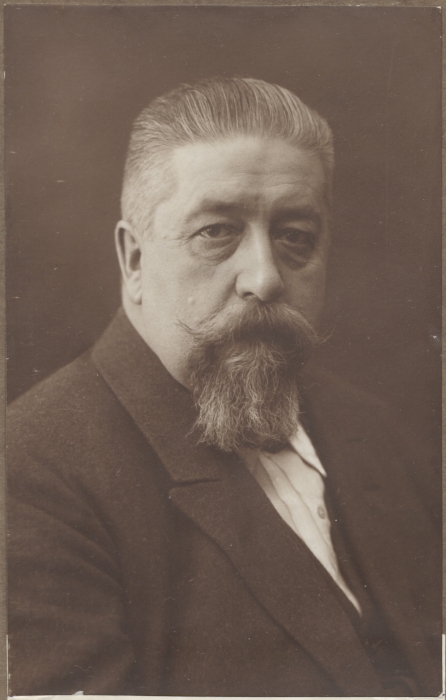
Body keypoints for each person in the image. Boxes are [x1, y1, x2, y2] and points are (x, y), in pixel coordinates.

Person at [7, 77, 441, 697]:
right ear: (134, 260)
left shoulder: (376, 431)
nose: (264, 278)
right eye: (216, 232)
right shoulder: (29, 476)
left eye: (295, 236)